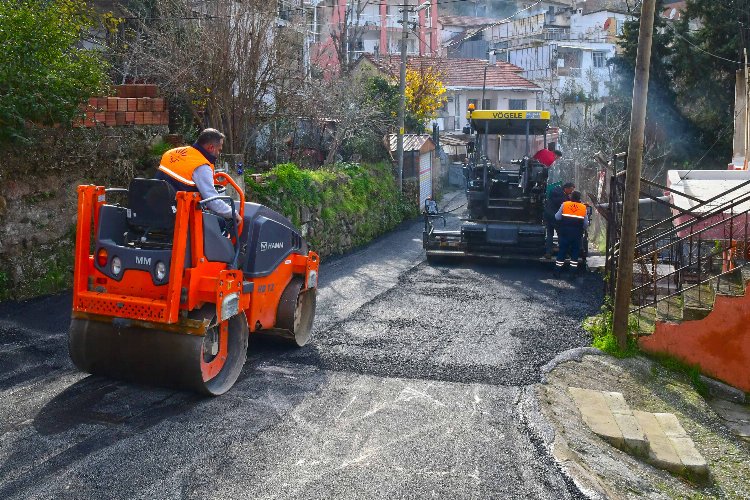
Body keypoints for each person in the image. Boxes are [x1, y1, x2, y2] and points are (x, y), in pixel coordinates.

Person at [155, 128, 238, 223]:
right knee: (221, 223)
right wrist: (233, 214)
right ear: (211, 148)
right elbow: (211, 200)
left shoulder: (171, 153)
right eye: (219, 150)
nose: (218, 153)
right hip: (179, 215)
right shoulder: (201, 166)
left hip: (155, 207)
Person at [554, 190, 589, 276]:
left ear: (571, 197)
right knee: (575, 252)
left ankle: (557, 272)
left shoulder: (565, 204)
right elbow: (585, 224)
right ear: (579, 198)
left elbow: (557, 217)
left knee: (562, 251)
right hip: (577, 234)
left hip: (565, 232)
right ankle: (572, 273)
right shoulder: (583, 207)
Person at [544, 182, 575, 259]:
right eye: (571, 190)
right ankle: (563, 253)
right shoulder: (563, 197)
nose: (571, 192)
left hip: (548, 216)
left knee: (550, 235)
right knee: (561, 236)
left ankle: (548, 252)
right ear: (566, 188)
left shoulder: (555, 192)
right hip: (556, 218)